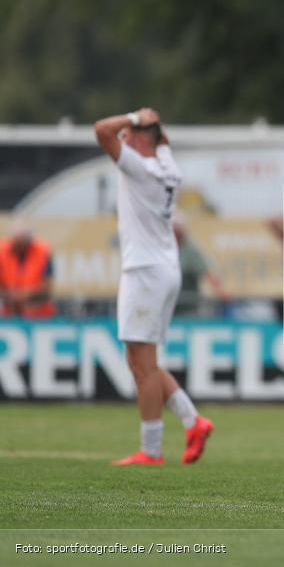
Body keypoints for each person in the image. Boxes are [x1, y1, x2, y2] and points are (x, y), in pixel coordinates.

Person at [94, 107, 214, 466]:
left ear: (138, 138)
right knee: (143, 360)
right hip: (164, 269)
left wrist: (133, 116)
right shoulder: (168, 166)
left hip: (144, 272)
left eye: (129, 134)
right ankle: (193, 421)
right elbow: (161, 141)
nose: (123, 138)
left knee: (142, 366)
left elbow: (101, 130)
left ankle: (152, 450)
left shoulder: (140, 167)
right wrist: (149, 127)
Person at [173, 216, 228, 316]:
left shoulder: (190, 250)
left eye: (176, 230)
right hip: (166, 302)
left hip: (186, 306)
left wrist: (219, 291)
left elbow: (206, 271)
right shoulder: (160, 248)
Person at [0, 224, 56, 318]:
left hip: (39, 311)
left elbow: (46, 284)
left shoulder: (42, 252)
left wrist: (23, 295)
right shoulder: (2, 252)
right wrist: (9, 295)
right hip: (9, 310)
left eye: (24, 244)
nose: (21, 247)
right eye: (18, 244)